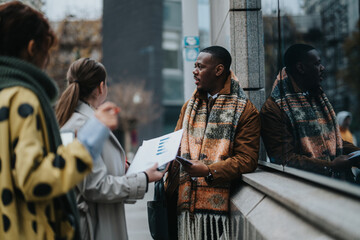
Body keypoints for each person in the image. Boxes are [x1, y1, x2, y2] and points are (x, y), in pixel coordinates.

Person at [0, 2, 120, 240]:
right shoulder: (23, 99)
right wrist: (89, 140)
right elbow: (36, 180)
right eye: (47, 51)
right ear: (33, 48)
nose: (47, 59)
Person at [55, 58, 164, 240]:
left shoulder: (83, 122)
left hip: (98, 223)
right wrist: (144, 178)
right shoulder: (83, 125)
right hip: (93, 228)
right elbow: (95, 186)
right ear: (100, 87)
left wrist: (123, 169)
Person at [165, 46, 260, 239]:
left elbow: (247, 160)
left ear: (218, 70)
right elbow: (174, 143)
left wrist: (209, 170)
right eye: (195, 66)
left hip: (216, 215)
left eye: (200, 67)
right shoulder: (189, 106)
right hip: (179, 202)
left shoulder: (245, 110)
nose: (195, 71)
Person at [260, 43, 359, 181]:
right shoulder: (274, 108)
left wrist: (356, 154)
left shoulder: (315, 97)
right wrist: (330, 166)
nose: (322, 68)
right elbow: (284, 160)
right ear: (301, 68)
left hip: (338, 183)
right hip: (307, 190)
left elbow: (332, 140)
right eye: (317, 64)